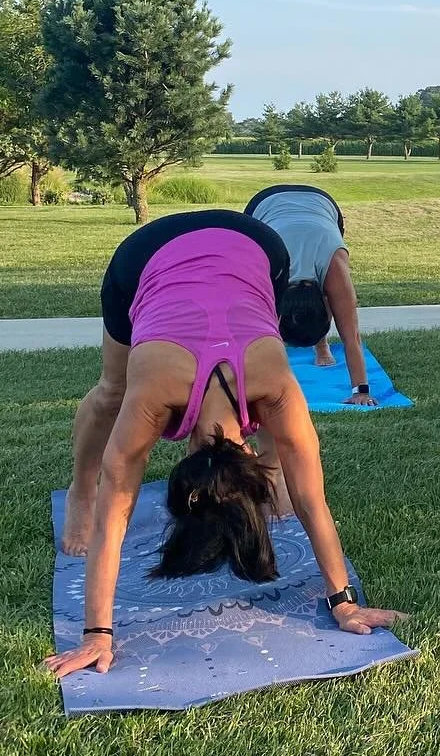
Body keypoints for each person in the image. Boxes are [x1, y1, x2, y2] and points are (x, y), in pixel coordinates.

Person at [45, 209, 400, 681]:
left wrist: (99, 635)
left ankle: (276, 472)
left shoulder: (273, 384)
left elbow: (309, 497)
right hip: (147, 256)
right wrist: (96, 633)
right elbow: (114, 510)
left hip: (254, 246)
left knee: (293, 444)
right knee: (111, 390)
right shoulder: (155, 394)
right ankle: (77, 490)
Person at [243, 183, 375, 405]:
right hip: (264, 206)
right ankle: (281, 348)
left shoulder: (334, 264)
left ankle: (321, 346)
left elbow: (351, 336)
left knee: (334, 295)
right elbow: (247, 329)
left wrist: (360, 391)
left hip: (322, 206)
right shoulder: (264, 262)